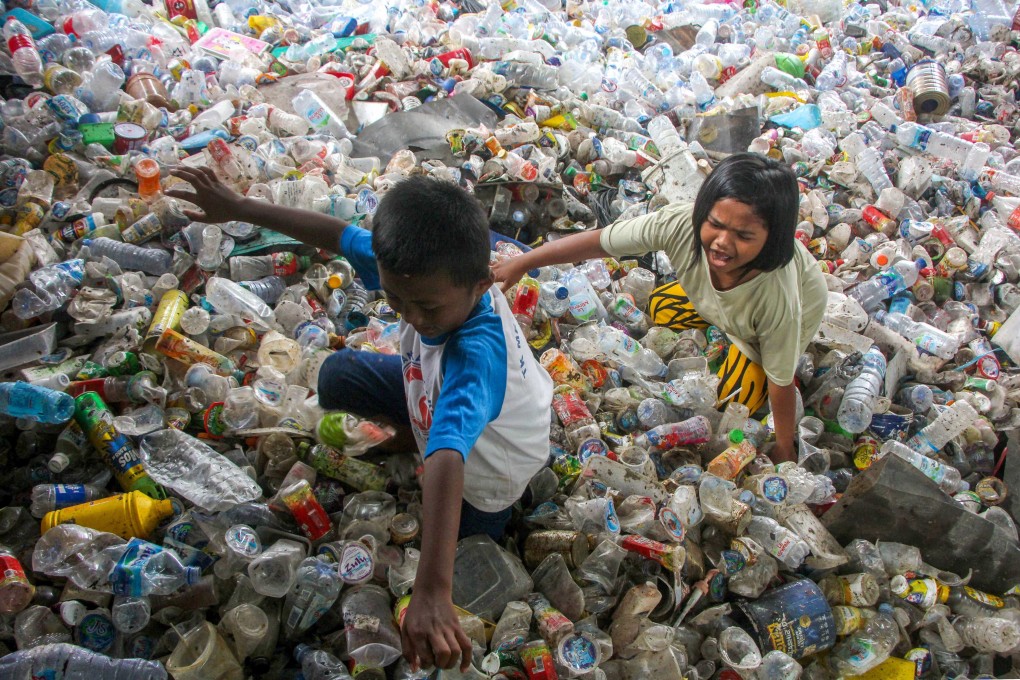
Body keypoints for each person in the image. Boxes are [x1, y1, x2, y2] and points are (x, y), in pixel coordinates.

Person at [167, 167, 553, 672]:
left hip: (490, 467)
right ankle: (401, 440)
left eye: (427, 308)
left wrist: (430, 591)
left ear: (482, 285)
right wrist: (239, 207)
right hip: (429, 399)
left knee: (467, 562)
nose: (410, 316)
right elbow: (334, 234)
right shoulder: (418, 267)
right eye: (396, 300)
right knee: (338, 374)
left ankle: (454, 509)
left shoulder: (477, 352)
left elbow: (448, 449)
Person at [493, 152, 826, 463]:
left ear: (773, 239)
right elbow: (599, 242)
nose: (723, 241)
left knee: (737, 402)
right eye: (715, 223)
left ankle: (739, 344)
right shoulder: (681, 225)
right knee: (660, 306)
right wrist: (525, 262)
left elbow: (780, 382)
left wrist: (784, 446)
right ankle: (723, 329)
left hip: (768, 324)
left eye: (743, 234)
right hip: (724, 304)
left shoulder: (778, 298)